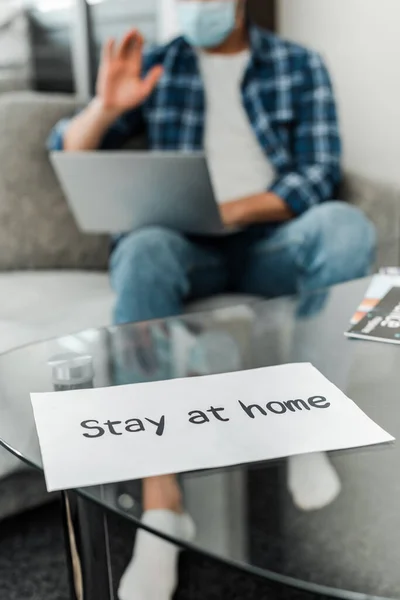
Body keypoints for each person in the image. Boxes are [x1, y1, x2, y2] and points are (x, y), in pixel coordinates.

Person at [48, 1, 375, 598]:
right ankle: (161, 496)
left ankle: (307, 428)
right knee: (142, 248)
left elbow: (318, 171)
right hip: (183, 245)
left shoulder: (299, 64)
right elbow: (66, 151)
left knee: (345, 227)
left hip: (271, 239)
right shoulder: (160, 66)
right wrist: (106, 107)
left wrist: (232, 210)